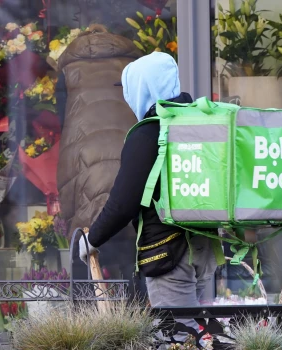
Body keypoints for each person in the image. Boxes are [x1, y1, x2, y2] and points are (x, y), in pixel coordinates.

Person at [79, 51, 218, 347]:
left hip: (169, 255)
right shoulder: (197, 124)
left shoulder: (150, 132)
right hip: (204, 252)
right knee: (204, 336)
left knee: (179, 340)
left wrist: (93, 239)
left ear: (142, 88)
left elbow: (124, 200)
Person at [54, 25, 145, 297]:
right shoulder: (133, 63)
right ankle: (136, 314)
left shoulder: (69, 68)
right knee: (131, 244)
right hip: (127, 148)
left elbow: (63, 117)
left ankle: (89, 319)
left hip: (84, 155)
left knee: (86, 239)